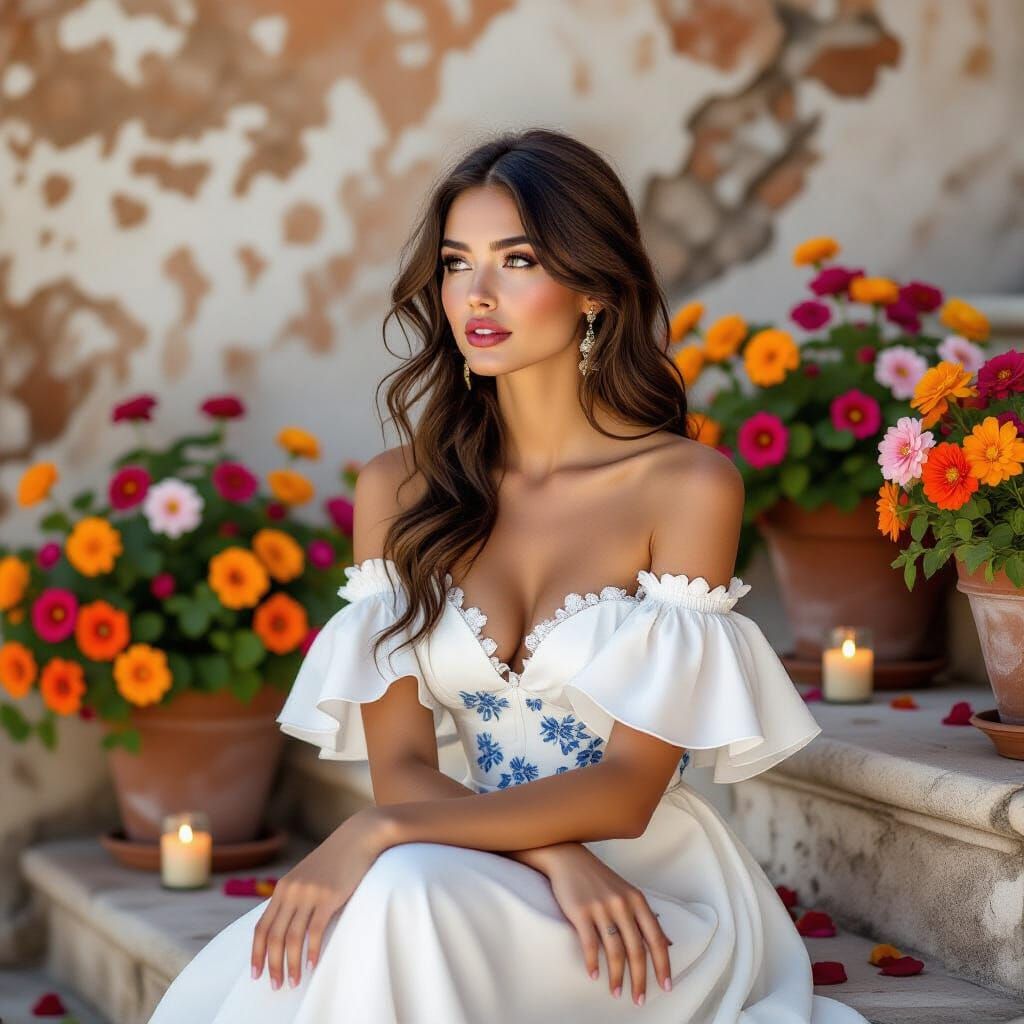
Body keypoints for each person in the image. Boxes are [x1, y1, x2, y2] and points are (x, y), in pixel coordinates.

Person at [148, 128, 869, 1023]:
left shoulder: (685, 487)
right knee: (378, 908)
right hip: (468, 866)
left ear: (596, 288)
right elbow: (401, 766)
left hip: (638, 904)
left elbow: (629, 790)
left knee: (400, 890)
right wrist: (550, 857)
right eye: (457, 263)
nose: (477, 294)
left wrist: (379, 829)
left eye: (517, 260)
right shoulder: (399, 491)